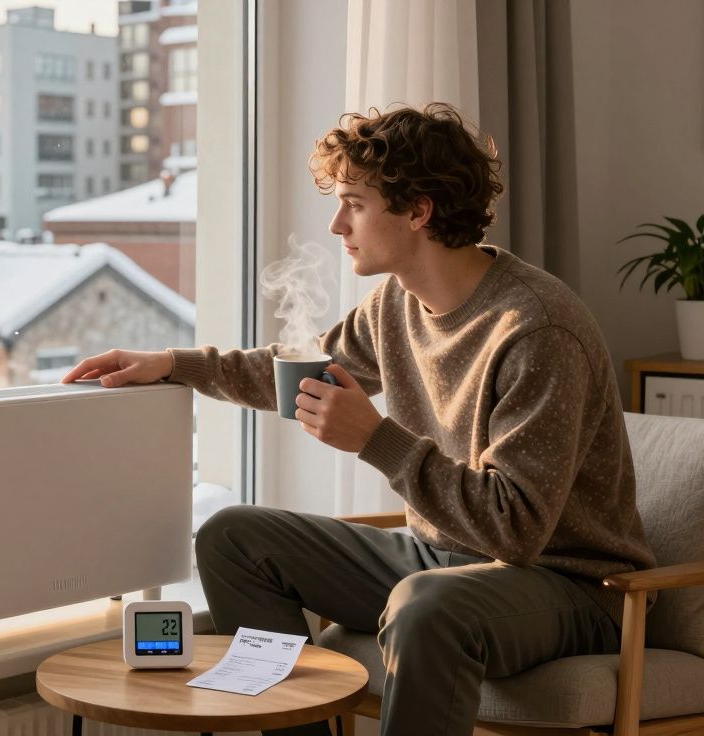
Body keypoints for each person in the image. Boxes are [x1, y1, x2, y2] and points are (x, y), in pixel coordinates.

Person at [60, 102, 654, 736]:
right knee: (233, 538)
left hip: (567, 586)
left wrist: (377, 440)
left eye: (354, 203)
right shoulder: (396, 303)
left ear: (418, 211)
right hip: (439, 560)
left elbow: (516, 531)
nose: (336, 222)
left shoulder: (537, 329)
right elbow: (292, 373)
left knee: (427, 606)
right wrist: (173, 363)